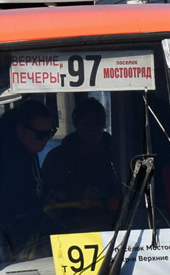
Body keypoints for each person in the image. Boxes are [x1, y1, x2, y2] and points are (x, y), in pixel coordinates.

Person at [0, 97, 56, 259]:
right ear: (20, 130)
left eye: (50, 133)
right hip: (2, 247)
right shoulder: (2, 162)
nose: (46, 140)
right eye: (41, 135)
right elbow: (9, 214)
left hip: (22, 238)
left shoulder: (29, 153)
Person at [41, 96, 123, 232]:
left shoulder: (120, 154)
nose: (92, 129)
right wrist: (77, 194)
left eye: (97, 123)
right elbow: (47, 200)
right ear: (75, 124)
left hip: (117, 228)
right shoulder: (57, 158)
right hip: (68, 229)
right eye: (86, 124)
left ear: (104, 124)